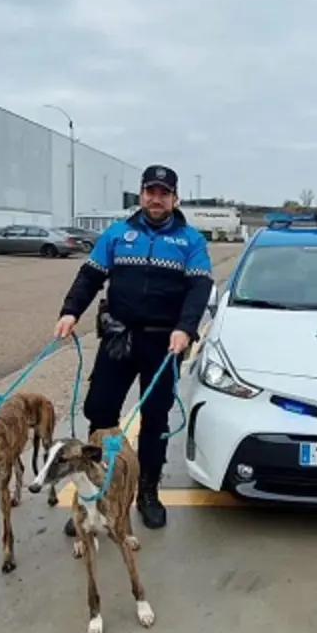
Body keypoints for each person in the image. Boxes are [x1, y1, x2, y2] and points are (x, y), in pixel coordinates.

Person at [53, 164, 213, 535]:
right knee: (101, 414)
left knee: (155, 420)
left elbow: (199, 289)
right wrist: (70, 312)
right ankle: (95, 495)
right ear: (141, 195)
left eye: (163, 193)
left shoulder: (190, 241)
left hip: (164, 343)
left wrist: (185, 328)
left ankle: (148, 493)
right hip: (118, 338)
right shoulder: (117, 234)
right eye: (150, 192)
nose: (156, 199)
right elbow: (90, 277)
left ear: (175, 198)